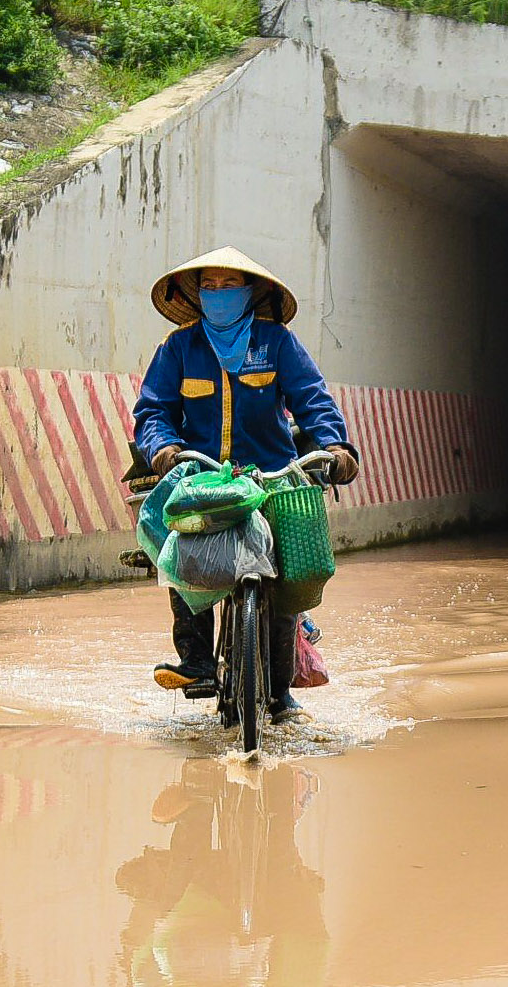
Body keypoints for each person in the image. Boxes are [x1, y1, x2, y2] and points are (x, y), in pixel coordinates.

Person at [131, 246, 359, 725]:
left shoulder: (277, 343)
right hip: (204, 478)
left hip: (272, 476)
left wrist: (336, 448)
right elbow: (153, 411)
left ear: (250, 292)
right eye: (208, 287)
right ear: (197, 295)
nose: (217, 295)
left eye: (227, 286)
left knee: (285, 576)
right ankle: (196, 663)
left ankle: (279, 693)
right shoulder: (179, 348)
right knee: (182, 551)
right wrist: (164, 447)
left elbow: (312, 399)